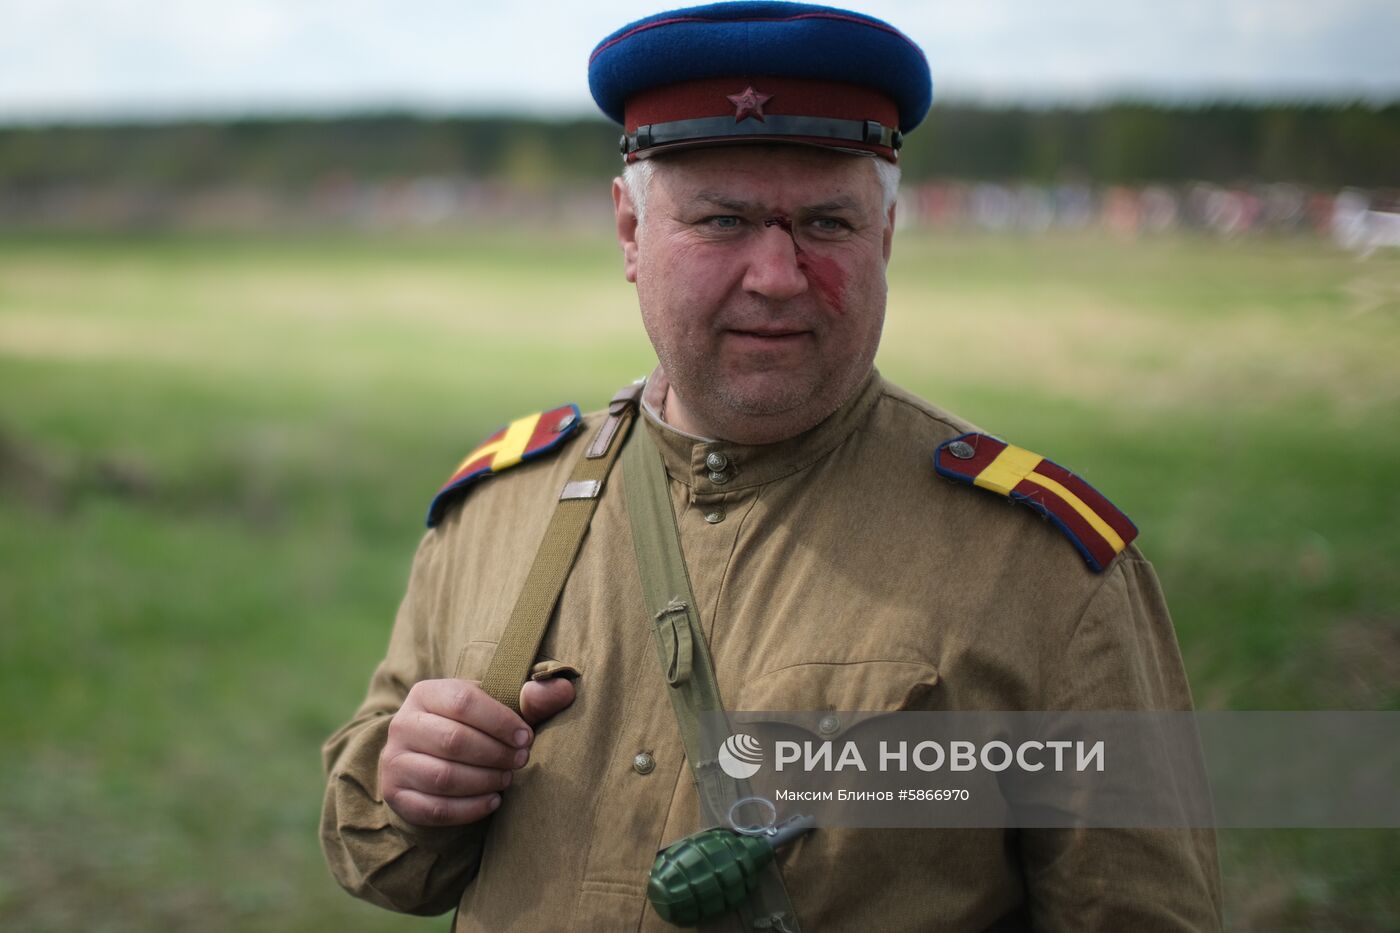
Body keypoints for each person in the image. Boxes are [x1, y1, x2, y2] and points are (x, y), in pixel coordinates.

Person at [320, 3, 1223, 930]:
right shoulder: (497, 510)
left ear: (887, 235)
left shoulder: (1042, 569)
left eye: (828, 223)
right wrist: (410, 781)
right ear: (630, 231)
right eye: (722, 220)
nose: (779, 275)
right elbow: (382, 859)